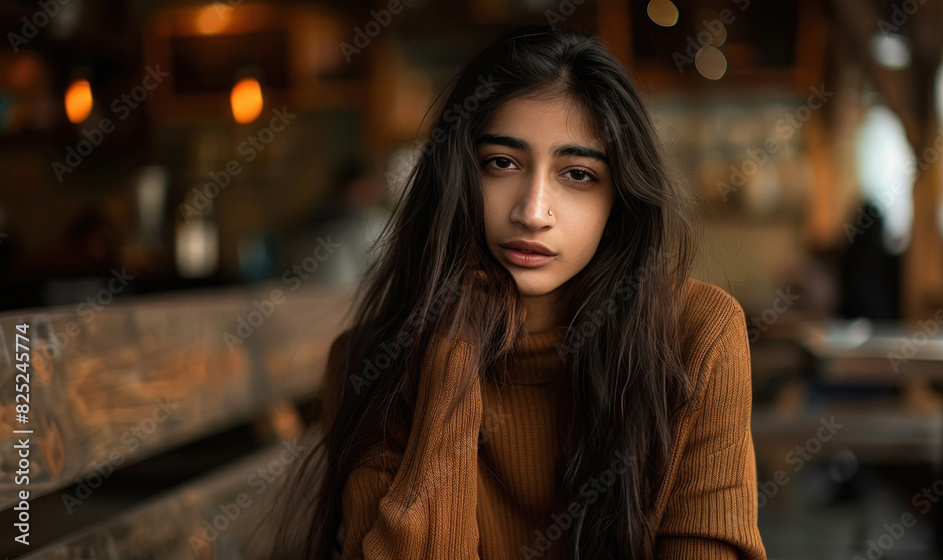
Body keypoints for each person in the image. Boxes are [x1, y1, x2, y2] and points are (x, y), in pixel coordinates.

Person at [255, 26, 766, 560]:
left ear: (619, 200)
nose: (531, 211)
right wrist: (451, 361)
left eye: (577, 174)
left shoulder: (697, 333)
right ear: (458, 175)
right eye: (502, 163)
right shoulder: (372, 362)